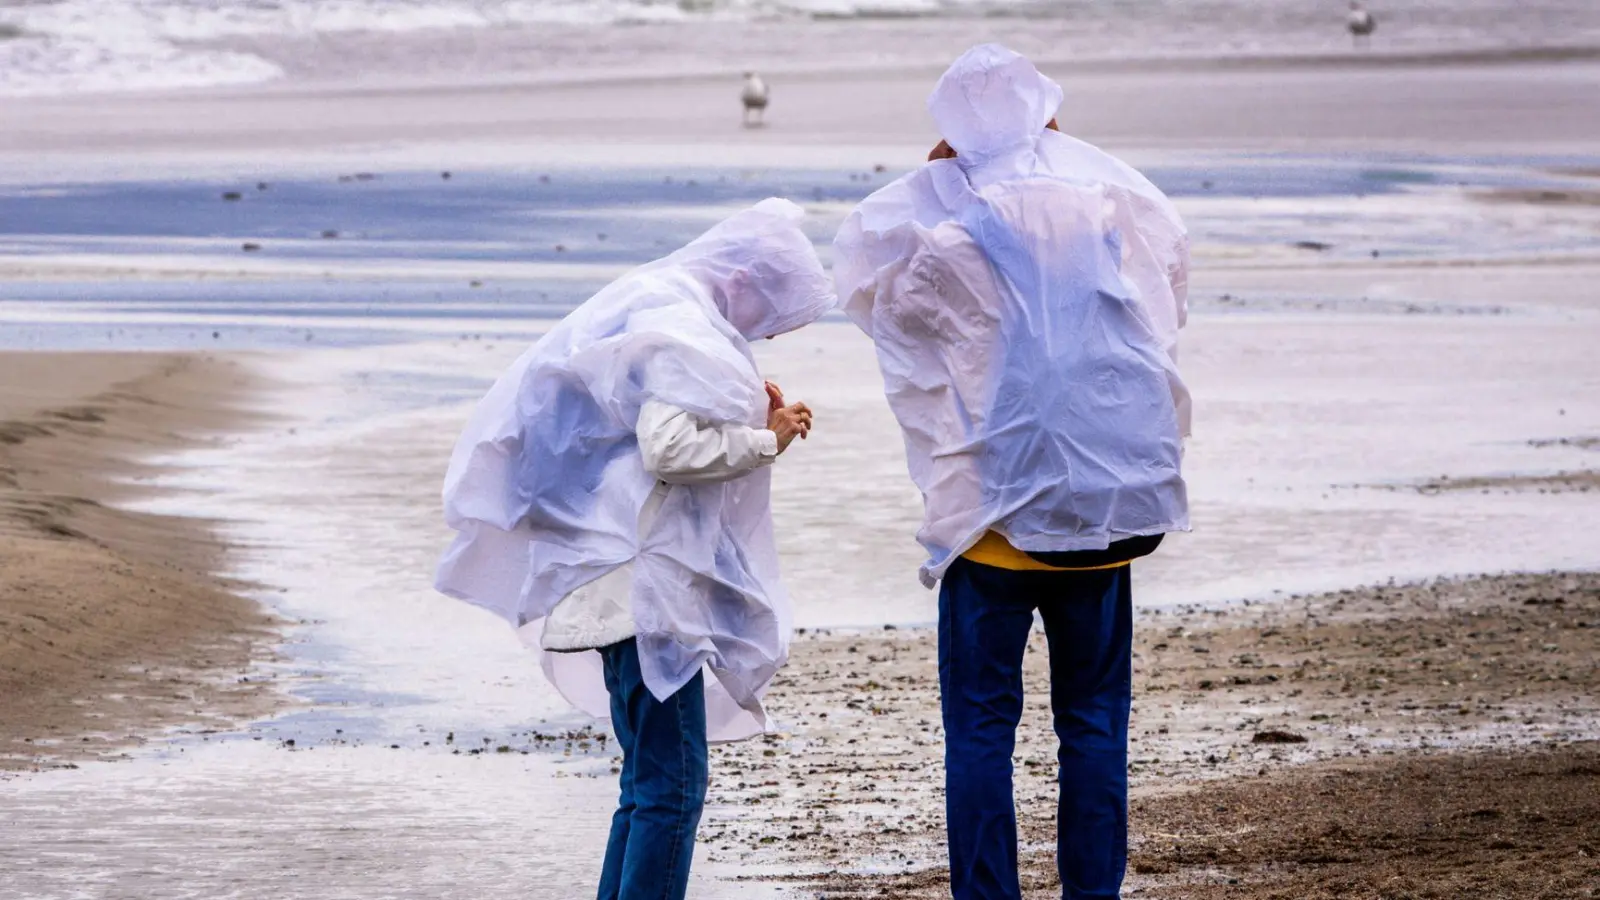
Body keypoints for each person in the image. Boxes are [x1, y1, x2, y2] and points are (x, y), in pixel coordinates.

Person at [832, 44, 1191, 900]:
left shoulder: (952, 236)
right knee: (1096, 726)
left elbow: (888, 308)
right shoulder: (1104, 209)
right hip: (1105, 518)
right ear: (1046, 118)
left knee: (982, 734)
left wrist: (937, 191)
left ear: (952, 132)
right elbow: (1164, 287)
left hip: (993, 524)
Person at [434, 198, 832, 900]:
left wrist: (748, 418)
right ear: (747, 283)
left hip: (607, 585)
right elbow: (670, 448)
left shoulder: (657, 310)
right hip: (645, 597)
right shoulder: (686, 334)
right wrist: (767, 439)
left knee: (645, 785)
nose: (765, 335)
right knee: (675, 789)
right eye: (770, 313)